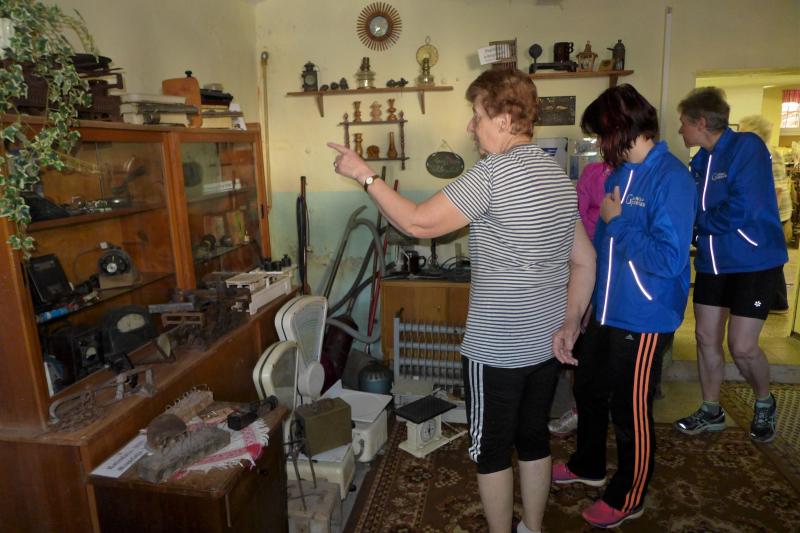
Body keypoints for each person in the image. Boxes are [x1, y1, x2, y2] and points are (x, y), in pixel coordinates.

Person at [329, 68, 595, 533]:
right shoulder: (557, 177)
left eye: (477, 115)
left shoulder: (491, 174)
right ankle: (531, 529)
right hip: (545, 345)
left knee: (491, 451)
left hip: (496, 350)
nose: (471, 126)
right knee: (533, 439)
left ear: (505, 119)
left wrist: (364, 174)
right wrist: (571, 322)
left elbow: (417, 223)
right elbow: (585, 261)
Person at [551, 84, 697, 529]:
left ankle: (629, 495)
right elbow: (602, 250)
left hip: (647, 316)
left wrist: (617, 225)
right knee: (588, 389)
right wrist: (585, 306)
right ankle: (589, 465)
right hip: (608, 310)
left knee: (630, 411)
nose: (599, 145)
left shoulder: (671, 178)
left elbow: (669, 260)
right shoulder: (618, 175)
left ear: (620, 129)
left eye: (601, 135)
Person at [674, 88, 788, 443]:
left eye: (683, 123)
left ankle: (764, 401)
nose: (680, 129)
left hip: (754, 262)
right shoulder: (700, 161)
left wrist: (697, 226)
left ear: (700, 123)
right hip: (713, 263)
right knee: (705, 337)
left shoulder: (746, 147)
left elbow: (743, 209)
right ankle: (711, 410)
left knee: (741, 346)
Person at [549, 161, 611, 438]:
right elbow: (578, 220)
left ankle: (601, 408)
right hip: (587, 264)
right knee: (582, 347)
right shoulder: (593, 173)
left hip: (618, 272)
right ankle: (579, 409)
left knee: (609, 355)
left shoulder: (641, 173)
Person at [737, 114, 791, 312]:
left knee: (769, 261)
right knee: (771, 260)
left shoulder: (768, 154)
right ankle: (777, 301)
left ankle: (775, 301)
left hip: (773, 216)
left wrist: (764, 220)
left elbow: (777, 190)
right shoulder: (757, 153)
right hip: (771, 216)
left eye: (742, 130)